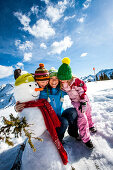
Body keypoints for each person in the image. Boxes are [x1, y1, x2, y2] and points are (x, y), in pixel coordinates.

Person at [14, 65, 79, 143]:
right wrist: (16, 107)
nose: (54, 81)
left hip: (60, 114)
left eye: (56, 79)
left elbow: (72, 88)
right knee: (64, 122)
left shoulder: (61, 89)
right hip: (50, 120)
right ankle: (59, 139)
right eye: (51, 79)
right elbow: (27, 96)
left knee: (73, 111)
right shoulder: (41, 91)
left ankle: (73, 132)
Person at [57, 57, 97, 149]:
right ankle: (86, 138)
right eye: (60, 79)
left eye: (64, 79)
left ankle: (91, 126)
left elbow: (82, 90)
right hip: (76, 103)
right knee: (82, 118)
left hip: (84, 99)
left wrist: (83, 101)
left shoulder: (76, 82)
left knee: (88, 112)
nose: (61, 81)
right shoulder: (62, 85)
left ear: (68, 77)